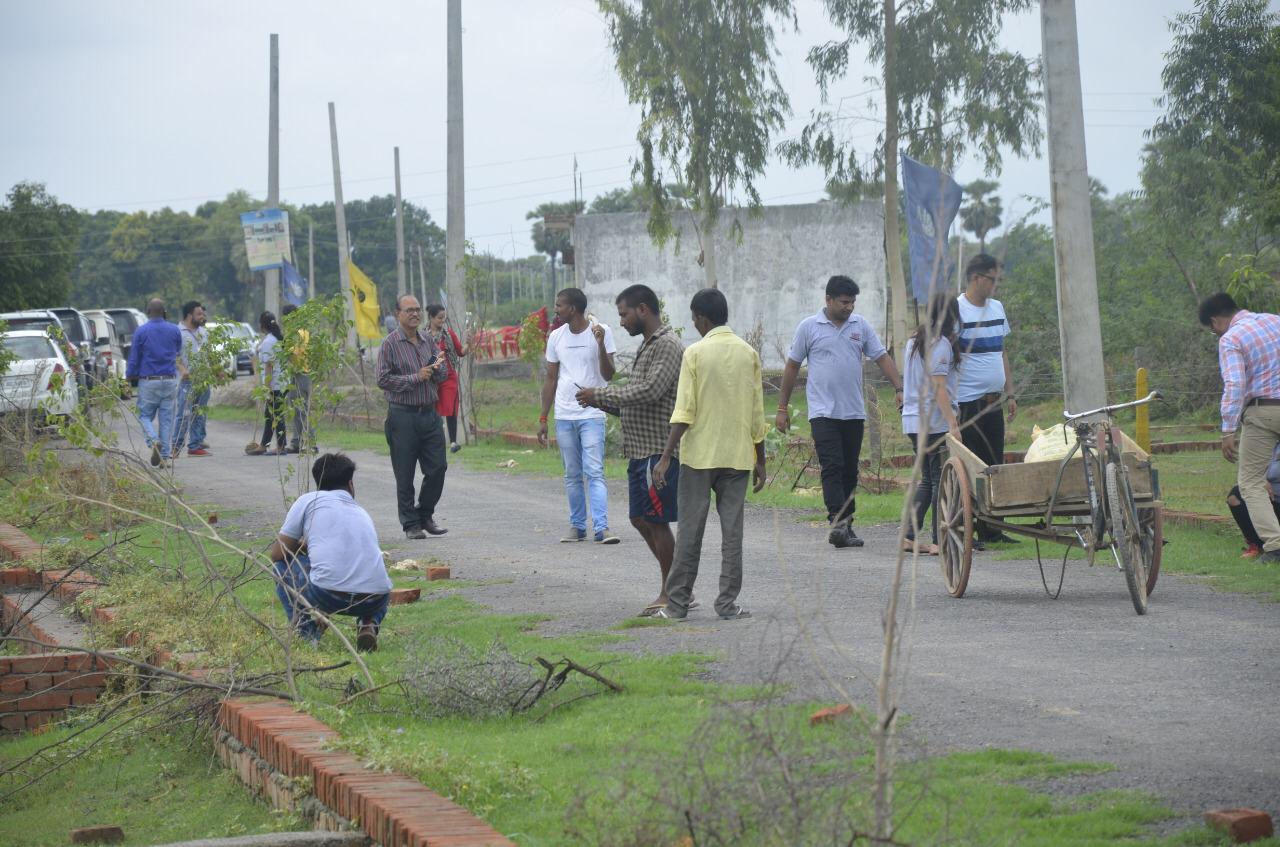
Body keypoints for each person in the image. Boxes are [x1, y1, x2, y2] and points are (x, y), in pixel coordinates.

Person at [653, 288, 766, 621]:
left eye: (693, 318)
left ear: (701, 317)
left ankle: (676, 605)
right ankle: (727, 604)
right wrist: (761, 459)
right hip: (737, 456)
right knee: (733, 534)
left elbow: (685, 410)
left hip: (699, 457)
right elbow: (757, 413)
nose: (694, 324)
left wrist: (666, 455)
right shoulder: (749, 353)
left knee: (690, 531)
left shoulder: (695, 354)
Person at [576, 284, 684, 615]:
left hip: (657, 450)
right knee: (640, 518)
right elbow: (635, 397)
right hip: (640, 450)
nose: (620, 322)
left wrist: (601, 395)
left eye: (623, 314)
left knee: (656, 520)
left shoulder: (666, 345)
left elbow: (650, 391)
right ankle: (677, 585)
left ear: (642, 310)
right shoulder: (648, 347)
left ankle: (673, 591)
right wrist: (597, 399)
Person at [776, 275, 905, 549]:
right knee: (832, 466)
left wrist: (899, 387)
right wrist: (781, 408)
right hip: (823, 412)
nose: (849, 307)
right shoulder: (809, 327)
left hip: (853, 413)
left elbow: (881, 356)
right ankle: (837, 521)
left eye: (852, 303)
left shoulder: (861, 327)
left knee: (849, 470)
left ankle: (847, 524)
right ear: (829, 300)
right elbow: (792, 367)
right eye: (844, 302)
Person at [269, 453, 391, 652]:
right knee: (375, 573)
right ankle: (368, 624)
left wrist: (302, 547)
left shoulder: (309, 500)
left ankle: (307, 634)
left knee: (282, 566)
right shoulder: (360, 511)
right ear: (350, 484)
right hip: (375, 599)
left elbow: (277, 553)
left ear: (318, 482)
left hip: (328, 595)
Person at [1200, 291, 1280, 563]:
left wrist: (1228, 430)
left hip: (1264, 411)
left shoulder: (1231, 338)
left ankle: (1275, 546)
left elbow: (1235, 384)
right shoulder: (1274, 320)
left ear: (1215, 322)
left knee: (1251, 483)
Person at [537, 287, 620, 544]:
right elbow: (551, 379)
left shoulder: (601, 331)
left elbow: (608, 375)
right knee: (572, 473)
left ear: (572, 308)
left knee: (594, 471)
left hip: (593, 412)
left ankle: (602, 527)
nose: (556, 309)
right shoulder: (556, 336)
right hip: (564, 415)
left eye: (559, 305)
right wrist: (543, 418)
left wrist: (599, 344)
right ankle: (577, 526)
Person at [955, 253, 1018, 545]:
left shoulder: (997, 308)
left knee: (994, 464)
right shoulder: (956, 310)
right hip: (967, 403)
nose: (995, 285)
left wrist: (1011, 392)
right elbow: (947, 359)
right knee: (971, 467)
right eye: (992, 280)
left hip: (994, 402)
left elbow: (1001, 352)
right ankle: (968, 527)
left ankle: (993, 529)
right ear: (977, 278)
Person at [376, 294, 450, 539]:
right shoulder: (390, 344)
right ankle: (410, 524)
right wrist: (415, 377)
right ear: (398, 314)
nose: (415, 314)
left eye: (418, 310)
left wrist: (437, 369)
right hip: (402, 416)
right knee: (405, 473)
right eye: (409, 310)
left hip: (429, 414)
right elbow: (382, 379)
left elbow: (442, 371)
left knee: (438, 467)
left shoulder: (428, 340)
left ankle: (425, 513)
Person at [900, 294, 963, 555]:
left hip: (913, 420)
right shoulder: (941, 344)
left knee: (927, 479)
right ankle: (939, 539)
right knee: (938, 480)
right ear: (953, 316)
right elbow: (939, 388)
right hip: (933, 422)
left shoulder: (915, 340)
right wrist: (953, 423)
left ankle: (909, 535)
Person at [125, 298, 183, 469]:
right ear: (164, 312)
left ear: (148, 312)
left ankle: (153, 440)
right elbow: (178, 351)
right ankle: (165, 457)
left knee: (144, 415)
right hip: (170, 380)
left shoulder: (141, 332)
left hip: (149, 381)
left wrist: (128, 379)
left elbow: (134, 358)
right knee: (166, 420)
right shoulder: (174, 330)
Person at [426, 304, 467, 454]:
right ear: (431, 317)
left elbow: (461, 351)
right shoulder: (424, 336)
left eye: (444, 318)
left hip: (449, 376)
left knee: (450, 408)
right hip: (432, 377)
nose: (442, 320)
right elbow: (424, 359)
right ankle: (436, 441)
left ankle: (453, 442)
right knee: (434, 410)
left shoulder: (448, 334)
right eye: (439, 318)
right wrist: (437, 359)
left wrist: (469, 343)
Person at [173, 300, 211, 457]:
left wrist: (218, 370)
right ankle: (176, 446)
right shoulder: (177, 332)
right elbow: (172, 355)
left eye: (202, 313)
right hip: (186, 382)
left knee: (200, 413)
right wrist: (182, 369)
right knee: (184, 414)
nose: (203, 316)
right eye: (199, 314)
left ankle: (195, 446)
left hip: (204, 380)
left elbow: (210, 354)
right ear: (189, 316)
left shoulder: (204, 332)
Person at [1227, 446, 1280, 559]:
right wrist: (1260, 480)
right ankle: (1257, 545)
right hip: (1269, 498)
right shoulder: (1264, 442)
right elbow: (1249, 472)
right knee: (1235, 495)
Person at [248, 311, 288, 456]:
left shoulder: (268, 342)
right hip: (283, 383)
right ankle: (264, 445)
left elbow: (268, 367)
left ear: (262, 325)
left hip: (274, 384)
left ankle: (281, 446)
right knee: (271, 415)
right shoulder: (279, 339)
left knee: (276, 416)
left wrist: (266, 388)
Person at [282, 304, 317, 455]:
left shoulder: (301, 333)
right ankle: (296, 442)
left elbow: (294, 353)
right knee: (296, 410)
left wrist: (283, 349)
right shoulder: (293, 333)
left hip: (302, 374)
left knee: (302, 411)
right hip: (295, 374)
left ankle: (311, 443)